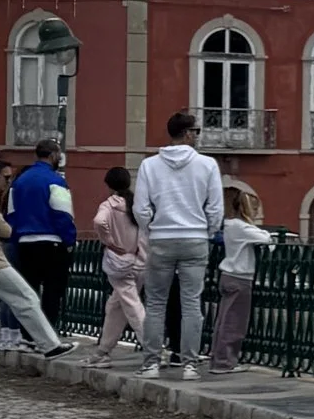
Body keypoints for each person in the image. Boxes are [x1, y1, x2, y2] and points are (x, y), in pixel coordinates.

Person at [132, 111, 224, 370]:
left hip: (162, 238)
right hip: (194, 238)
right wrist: (207, 231)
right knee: (191, 303)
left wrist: (150, 230)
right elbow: (215, 208)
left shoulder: (149, 166)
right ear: (187, 134)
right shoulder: (207, 165)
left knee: (156, 303)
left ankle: (150, 363)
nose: (198, 136)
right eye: (197, 132)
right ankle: (189, 365)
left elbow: (140, 208)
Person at [0, 156, 69, 359]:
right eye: (5, 177)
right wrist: (10, 230)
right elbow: (2, 229)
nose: (8, 182)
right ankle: (50, 345)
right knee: (26, 297)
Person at [7, 139, 75, 329]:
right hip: (52, 242)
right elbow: (62, 214)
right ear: (53, 155)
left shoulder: (19, 182)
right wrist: (69, 240)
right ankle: (48, 335)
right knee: (53, 292)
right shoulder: (56, 180)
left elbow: (12, 215)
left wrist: (16, 239)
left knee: (29, 291)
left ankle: (28, 335)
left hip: (25, 243)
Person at [205, 205, 273, 375]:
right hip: (240, 277)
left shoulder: (229, 225)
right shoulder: (241, 227)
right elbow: (266, 239)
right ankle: (225, 362)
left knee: (223, 320)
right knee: (234, 322)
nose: (256, 212)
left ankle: (217, 358)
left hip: (227, 275)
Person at [92, 166, 146, 360]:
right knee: (115, 306)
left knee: (132, 306)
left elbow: (99, 222)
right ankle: (103, 351)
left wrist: (109, 242)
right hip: (139, 262)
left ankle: (152, 348)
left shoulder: (108, 205)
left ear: (109, 185)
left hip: (119, 263)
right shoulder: (136, 204)